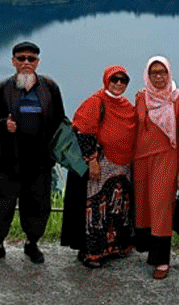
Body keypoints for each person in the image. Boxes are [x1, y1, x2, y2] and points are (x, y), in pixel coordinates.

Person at [0, 41, 64, 267]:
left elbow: (59, 122)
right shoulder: (2, 88)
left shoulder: (50, 88)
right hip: (10, 161)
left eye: (31, 59)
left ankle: (32, 243)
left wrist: (62, 152)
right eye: (21, 58)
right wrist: (2, 124)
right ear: (13, 61)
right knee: (2, 206)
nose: (26, 63)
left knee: (37, 206)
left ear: (37, 62)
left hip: (40, 163)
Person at [59, 65, 137, 268]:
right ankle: (91, 252)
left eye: (123, 80)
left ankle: (115, 247)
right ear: (106, 80)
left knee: (117, 208)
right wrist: (92, 160)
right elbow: (83, 131)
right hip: (101, 165)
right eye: (114, 79)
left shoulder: (127, 106)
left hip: (122, 166)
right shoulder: (96, 102)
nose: (119, 83)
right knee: (95, 209)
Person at [132, 55, 179, 280]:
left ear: (169, 73)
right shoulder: (141, 97)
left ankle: (162, 260)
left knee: (160, 207)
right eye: (153, 73)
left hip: (166, 159)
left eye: (162, 72)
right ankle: (148, 249)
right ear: (147, 75)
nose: (158, 77)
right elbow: (135, 128)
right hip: (140, 159)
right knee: (143, 205)